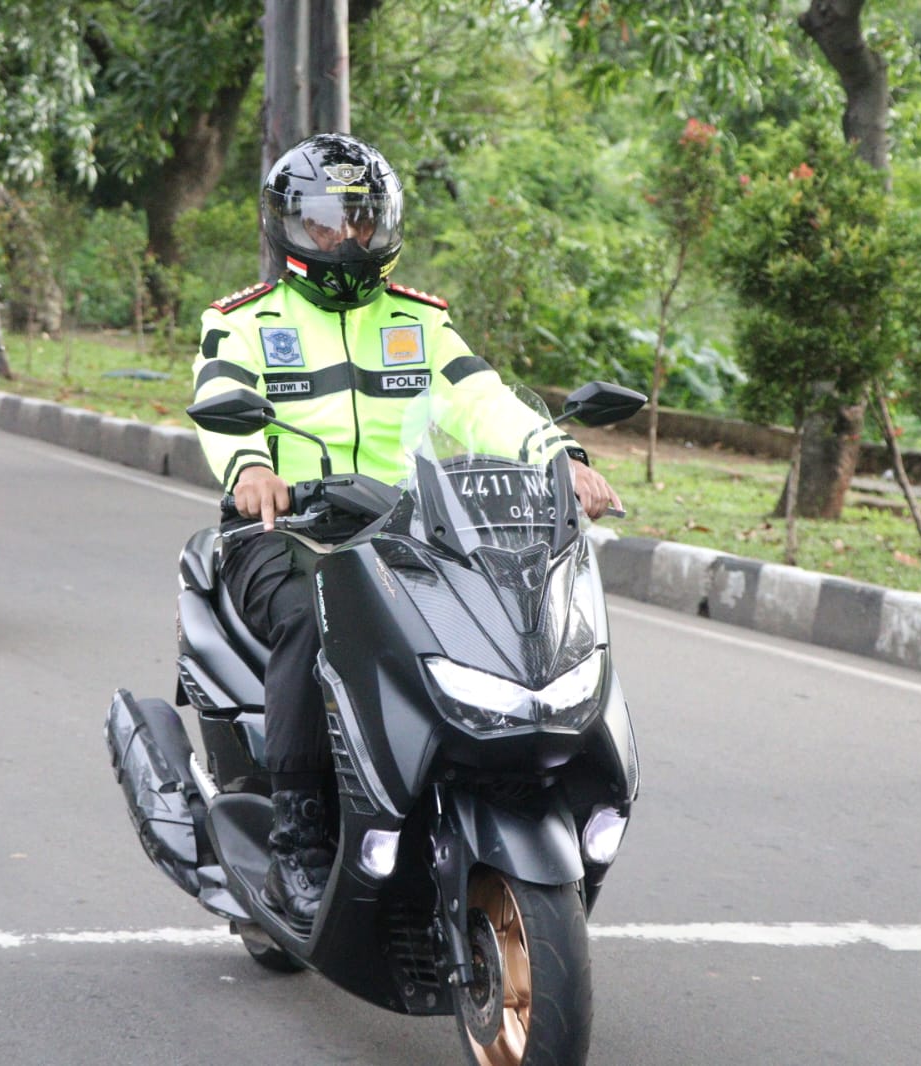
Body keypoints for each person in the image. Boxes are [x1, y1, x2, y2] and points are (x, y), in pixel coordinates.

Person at [190, 133, 621, 924]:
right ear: (289, 226)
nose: (343, 236)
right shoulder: (247, 323)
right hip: (286, 532)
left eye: (358, 218)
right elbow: (221, 396)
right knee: (306, 623)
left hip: (401, 530)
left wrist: (561, 456)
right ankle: (299, 839)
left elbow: (484, 402)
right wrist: (252, 470)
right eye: (324, 221)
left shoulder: (418, 323)